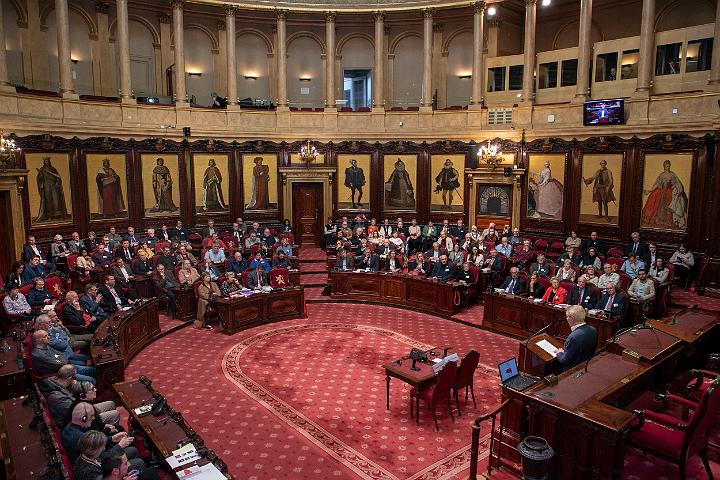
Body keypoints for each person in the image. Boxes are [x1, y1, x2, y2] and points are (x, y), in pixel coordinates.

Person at [641, 159, 688, 230]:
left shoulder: (673, 174)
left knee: (670, 202)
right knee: (658, 203)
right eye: (666, 166)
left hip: (669, 191)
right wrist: (650, 191)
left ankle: (671, 221)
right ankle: (659, 221)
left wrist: (675, 187)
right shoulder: (661, 175)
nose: (668, 167)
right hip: (662, 192)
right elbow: (656, 184)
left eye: (668, 166)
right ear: (664, 166)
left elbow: (677, 183)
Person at [31, 330, 96, 382]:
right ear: (38, 340)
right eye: (45, 336)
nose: (49, 337)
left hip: (65, 367)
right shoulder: (39, 355)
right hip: (60, 374)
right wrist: (59, 358)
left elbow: (61, 355)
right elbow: (60, 363)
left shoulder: (45, 345)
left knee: (93, 370)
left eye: (48, 335)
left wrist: (59, 358)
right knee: (92, 380)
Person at [554, 306, 598, 372]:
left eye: (567, 316)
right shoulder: (593, 329)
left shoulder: (574, 337)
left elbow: (565, 360)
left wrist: (559, 353)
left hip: (573, 371)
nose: (566, 319)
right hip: (587, 366)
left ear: (572, 319)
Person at [36, 156, 69, 221]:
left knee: (56, 200)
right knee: (48, 201)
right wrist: (41, 177)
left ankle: (58, 215)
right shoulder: (42, 169)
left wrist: (57, 182)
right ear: (44, 162)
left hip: (54, 187)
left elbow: (58, 177)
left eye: (47, 161)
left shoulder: (53, 169)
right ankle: (49, 216)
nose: (47, 162)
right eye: (45, 161)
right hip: (46, 186)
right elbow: (40, 179)